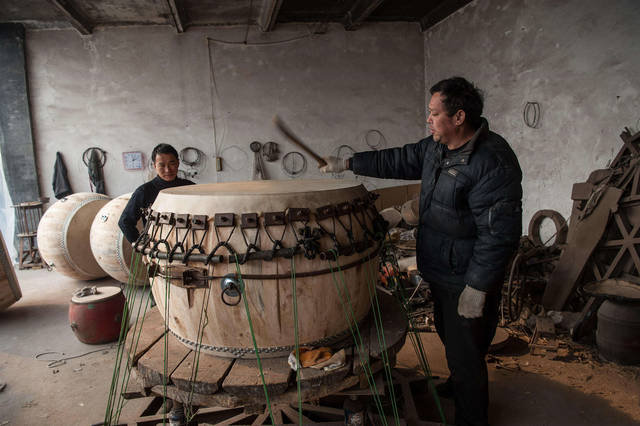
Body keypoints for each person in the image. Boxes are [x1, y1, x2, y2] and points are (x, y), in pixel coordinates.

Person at [320, 77, 522, 426]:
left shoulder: (492, 162)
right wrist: (349, 163)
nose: (428, 120)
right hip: (441, 264)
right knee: (448, 334)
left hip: (466, 273)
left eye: (433, 113)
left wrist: (477, 287)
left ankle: (472, 415)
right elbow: (397, 160)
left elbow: (498, 235)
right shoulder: (436, 147)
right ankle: (458, 386)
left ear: (458, 117)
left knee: (467, 352)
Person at [118, 143, 195, 244]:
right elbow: (125, 222)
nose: (167, 170)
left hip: (189, 246)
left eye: (172, 163)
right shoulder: (144, 191)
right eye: (162, 165)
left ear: (178, 163)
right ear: (154, 166)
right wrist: (141, 244)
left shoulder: (190, 188)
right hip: (158, 250)